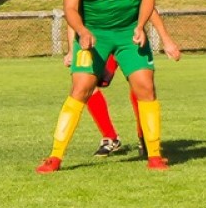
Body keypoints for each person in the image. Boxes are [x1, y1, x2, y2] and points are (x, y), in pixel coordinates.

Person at [38, 0, 168, 172]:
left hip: (128, 32)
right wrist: (83, 32)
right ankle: (55, 157)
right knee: (81, 89)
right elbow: (71, 9)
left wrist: (141, 26)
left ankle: (154, 155)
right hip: (94, 35)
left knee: (145, 86)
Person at [65, 9, 182, 158]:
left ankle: (144, 136)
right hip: (99, 42)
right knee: (86, 87)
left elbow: (149, 7)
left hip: (128, 40)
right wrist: (71, 51)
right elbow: (72, 14)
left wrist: (166, 40)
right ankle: (110, 138)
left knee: (140, 85)